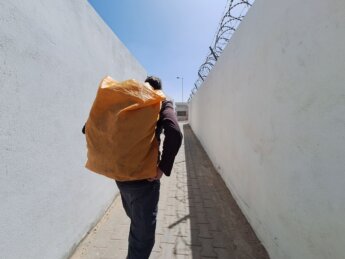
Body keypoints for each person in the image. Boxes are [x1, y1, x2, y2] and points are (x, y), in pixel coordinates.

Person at [83, 76, 182, 259]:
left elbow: (87, 128)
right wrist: (162, 168)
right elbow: (175, 132)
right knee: (143, 238)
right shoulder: (160, 101)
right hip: (145, 180)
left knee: (137, 222)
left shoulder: (126, 98)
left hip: (120, 176)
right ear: (158, 89)